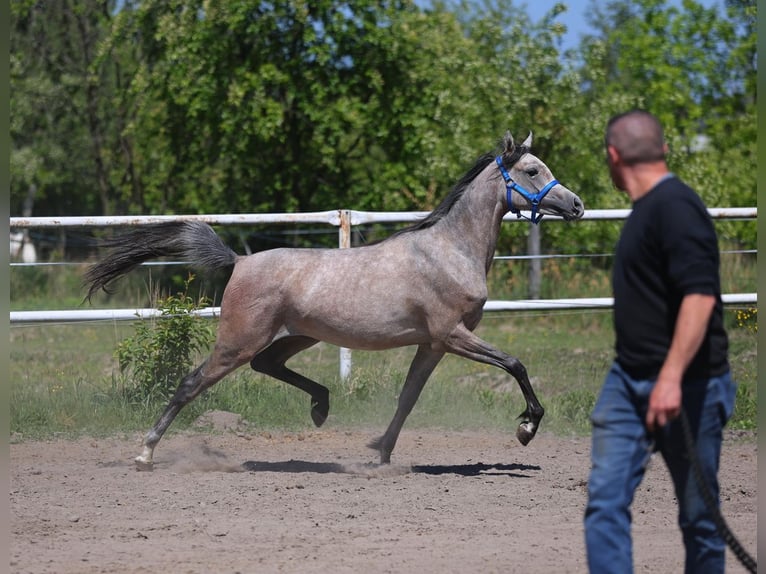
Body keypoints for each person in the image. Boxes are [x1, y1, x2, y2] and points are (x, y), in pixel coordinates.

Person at [584, 109, 736, 573]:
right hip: (628, 380)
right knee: (605, 504)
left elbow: (700, 296)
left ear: (612, 156)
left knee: (699, 521)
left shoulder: (675, 208)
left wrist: (670, 377)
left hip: (690, 386)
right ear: (663, 150)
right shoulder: (648, 209)